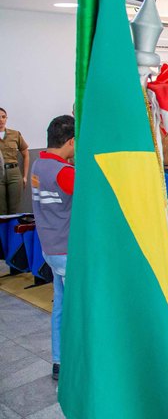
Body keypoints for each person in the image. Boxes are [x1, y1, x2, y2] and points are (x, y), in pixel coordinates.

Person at [30, 115, 75, 380]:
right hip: (67, 251)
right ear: (70, 141)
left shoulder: (38, 164)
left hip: (49, 248)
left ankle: (58, 360)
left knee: (60, 306)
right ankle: (81, 362)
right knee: (78, 309)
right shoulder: (65, 173)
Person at [0, 108, 29, 214]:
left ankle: (13, 230)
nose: (1, 120)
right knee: (1, 209)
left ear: (6, 119)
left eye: (3, 117)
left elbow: (26, 154)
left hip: (14, 173)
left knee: (15, 209)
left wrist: (25, 176)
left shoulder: (15, 134)